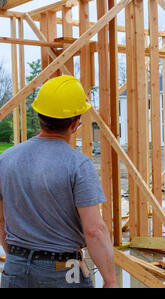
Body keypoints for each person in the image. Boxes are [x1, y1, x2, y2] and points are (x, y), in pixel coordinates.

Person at [0, 75, 117, 288]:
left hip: (14, 268)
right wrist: (110, 281)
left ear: (39, 115)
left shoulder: (6, 159)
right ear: (75, 123)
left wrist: (21, 258)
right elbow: (94, 231)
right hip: (65, 270)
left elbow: (1, 220)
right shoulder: (78, 165)